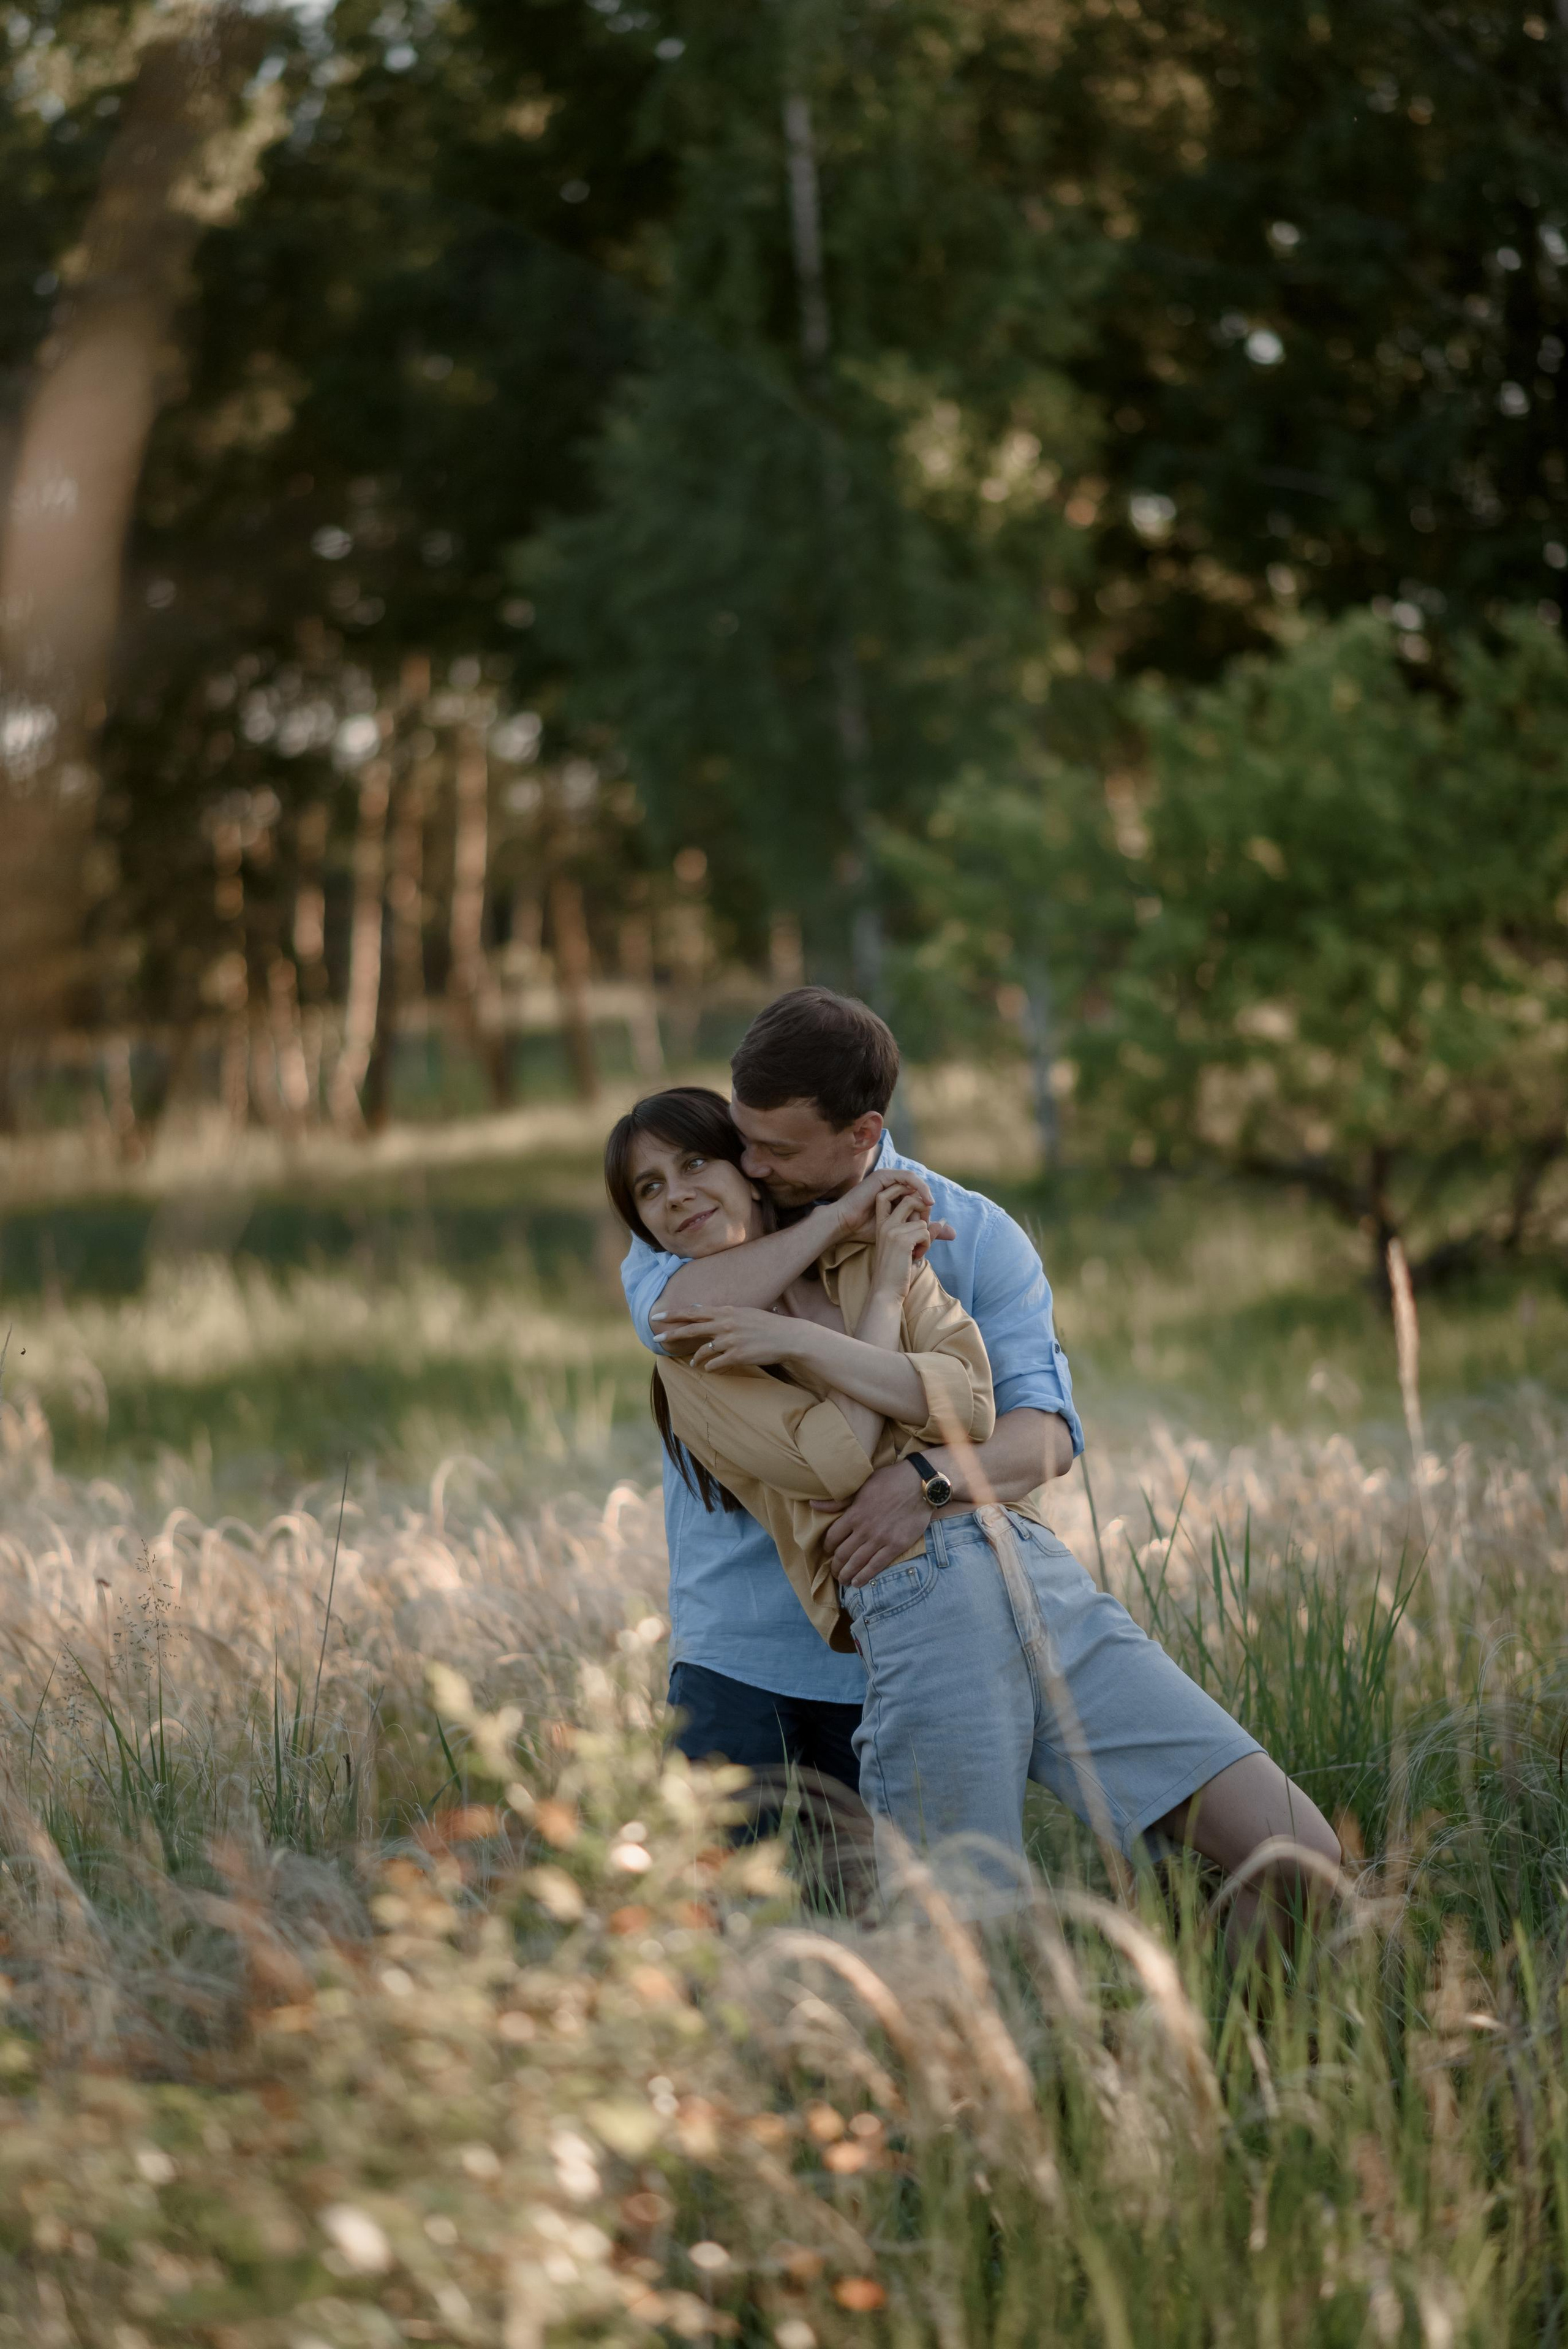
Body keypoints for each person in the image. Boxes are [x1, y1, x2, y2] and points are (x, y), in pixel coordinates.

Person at [608, 1000, 1341, 1937]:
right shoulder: (698, 1232)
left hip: (1022, 1568)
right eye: (739, 1140)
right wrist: (840, 1229)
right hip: (799, 1632)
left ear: (864, 1133)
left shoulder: (956, 1233)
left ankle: (1204, 2067)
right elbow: (693, 1332)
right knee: (890, 1936)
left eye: (775, 1150)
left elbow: (1023, 1428)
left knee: (1299, 1858)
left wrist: (924, 1481)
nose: (749, 1166)